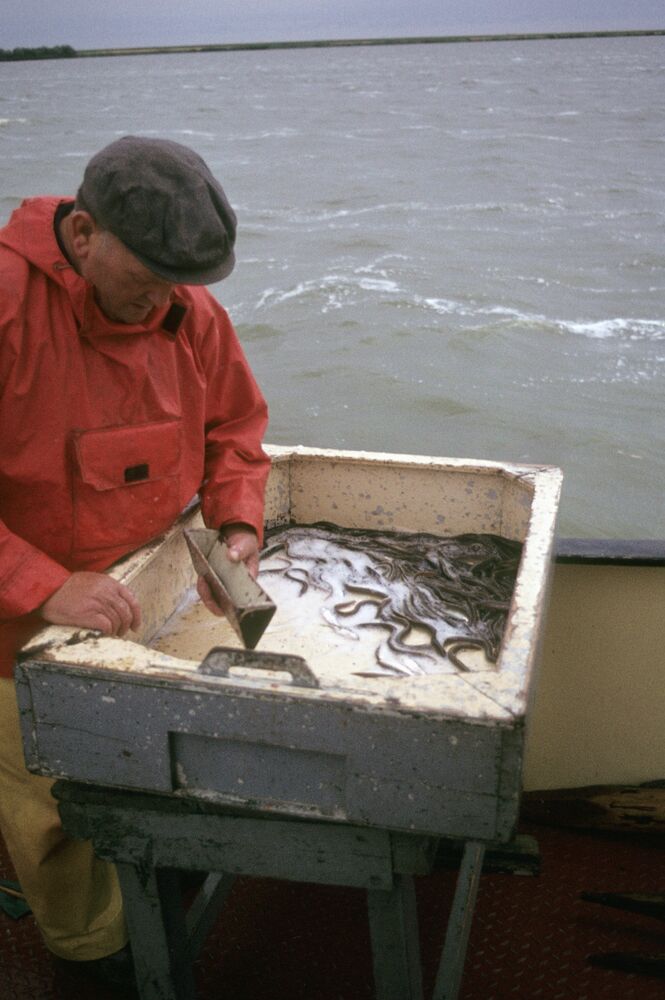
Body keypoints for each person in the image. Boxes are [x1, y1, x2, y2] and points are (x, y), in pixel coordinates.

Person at [0, 135, 271, 987]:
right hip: (17, 627)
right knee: (52, 808)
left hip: (151, 599)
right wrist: (44, 587)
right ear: (83, 234)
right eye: (147, 277)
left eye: (179, 282)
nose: (163, 299)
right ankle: (91, 956)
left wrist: (237, 523)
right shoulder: (5, 306)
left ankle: (161, 889)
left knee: (156, 771)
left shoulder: (189, 308)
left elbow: (236, 430)